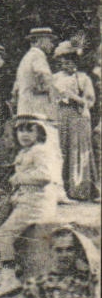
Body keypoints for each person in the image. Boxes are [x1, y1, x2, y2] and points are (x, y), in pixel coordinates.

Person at [0, 114, 65, 298]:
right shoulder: (25, 152)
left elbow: (46, 176)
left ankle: (9, 278)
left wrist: (18, 179)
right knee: (1, 231)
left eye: (30, 130)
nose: (24, 134)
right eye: (20, 130)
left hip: (38, 203)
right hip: (28, 201)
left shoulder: (41, 151)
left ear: (40, 132)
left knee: (4, 235)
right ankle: (9, 270)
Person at [52, 41, 95, 201]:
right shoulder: (55, 78)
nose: (67, 65)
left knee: (77, 149)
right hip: (60, 115)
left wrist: (76, 98)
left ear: (76, 62)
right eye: (64, 61)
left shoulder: (83, 78)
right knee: (60, 148)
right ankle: (59, 189)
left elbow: (90, 101)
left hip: (78, 116)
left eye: (70, 61)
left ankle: (78, 189)